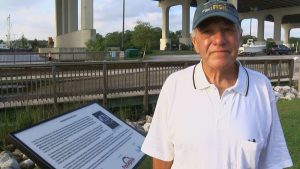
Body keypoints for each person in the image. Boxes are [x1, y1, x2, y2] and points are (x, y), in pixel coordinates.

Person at [141, 0, 293, 169]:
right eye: (207, 32)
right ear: (195, 43)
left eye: (227, 30)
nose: (219, 40)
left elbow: (272, 162)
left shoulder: (261, 87)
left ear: (239, 36)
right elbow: (162, 159)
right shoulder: (174, 85)